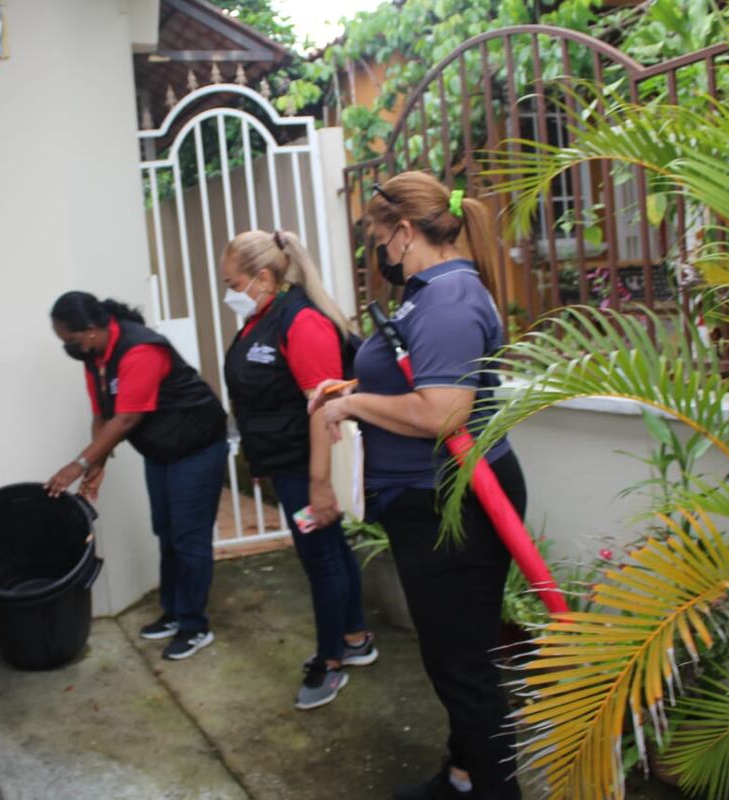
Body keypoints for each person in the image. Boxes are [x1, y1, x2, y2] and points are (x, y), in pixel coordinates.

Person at [310, 173, 524, 799]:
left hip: (450, 505)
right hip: (433, 500)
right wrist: (362, 394)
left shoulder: (449, 300)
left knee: (463, 670)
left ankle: (492, 789)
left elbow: (442, 413)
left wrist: (353, 408)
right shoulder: (430, 294)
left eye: (379, 239)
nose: (377, 254)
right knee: (461, 657)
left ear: (404, 233)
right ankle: (461, 777)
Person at [220, 229, 378, 710]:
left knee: (321, 559)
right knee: (329, 550)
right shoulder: (264, 317)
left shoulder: (302, 321)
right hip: (287, 463)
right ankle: (354, 638)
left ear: (264, 278)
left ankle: (330, 662)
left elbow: (323, 407)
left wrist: (319, 482)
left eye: (233, 282)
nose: (229, 292)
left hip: (307, 466)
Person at [45, 292, 228, 661]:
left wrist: (77, 465)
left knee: (189, 536)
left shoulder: (141, 349)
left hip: (196, 446)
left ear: (93, 329)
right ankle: (175, 612)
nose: (69, 347)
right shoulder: (94, 356)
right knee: (166, 529)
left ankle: (195, 626)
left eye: (71, 339)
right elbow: (103, 416)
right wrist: (98, 466)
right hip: (161, 449)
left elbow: (128, 418)